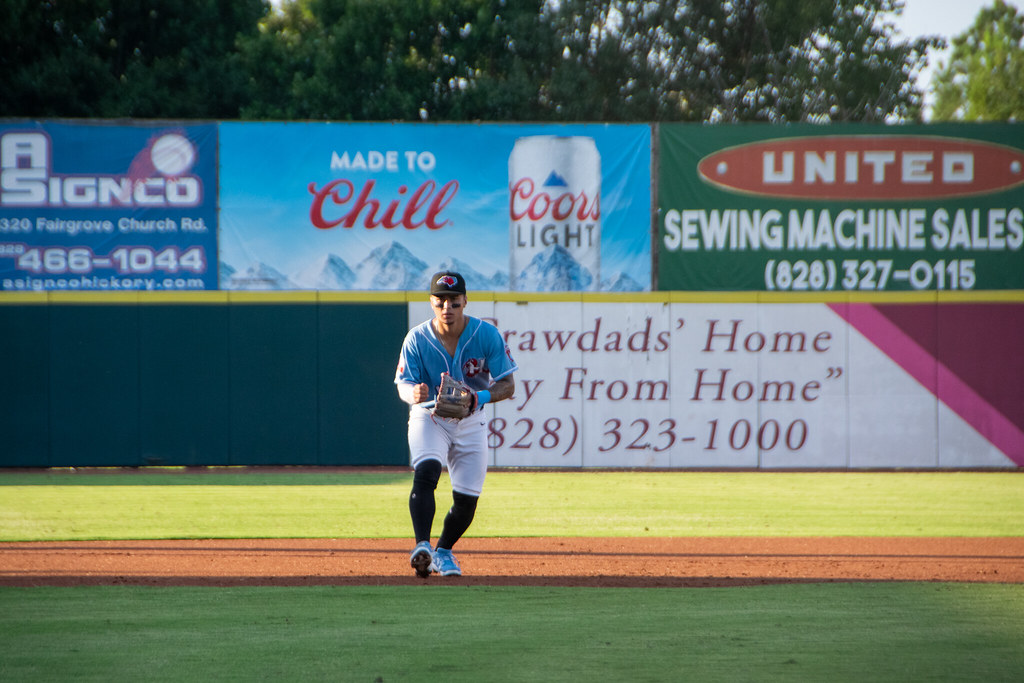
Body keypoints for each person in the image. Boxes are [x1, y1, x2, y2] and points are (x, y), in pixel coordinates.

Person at [394, 271, 517, 578]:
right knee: (427, 472)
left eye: (453, 300)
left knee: (467, 500)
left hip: (470, 419)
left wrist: (480, 397)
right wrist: (413, 392)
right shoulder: (417, 338)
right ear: (432, 302)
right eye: (441, 300)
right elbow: (403, 384)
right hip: (430, 416)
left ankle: (444, 551)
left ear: (465, 301)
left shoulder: (486, 335)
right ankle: (422, 546)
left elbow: (508, 385)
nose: (447, 306)